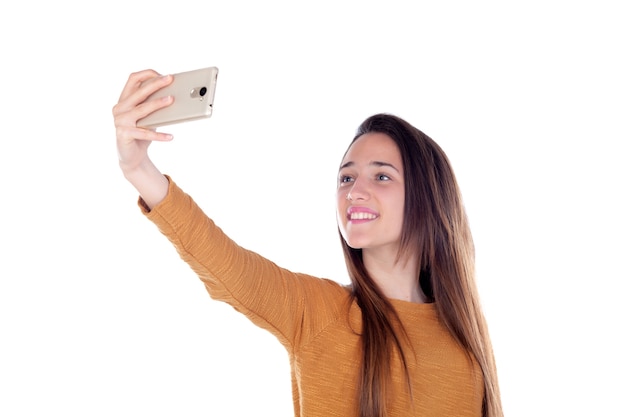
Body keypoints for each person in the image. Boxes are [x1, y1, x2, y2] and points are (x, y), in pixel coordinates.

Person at [113, 69, 504, 417]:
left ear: (429, 197)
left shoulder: (464, 346)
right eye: (346, 178)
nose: (355, 192)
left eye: (381, 177)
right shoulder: (318, 312)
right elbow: (224, 263)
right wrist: (138, 168)